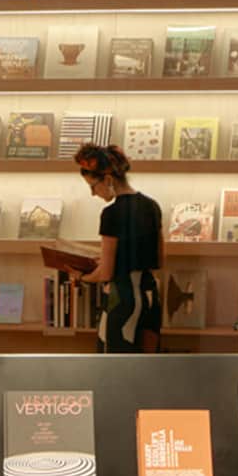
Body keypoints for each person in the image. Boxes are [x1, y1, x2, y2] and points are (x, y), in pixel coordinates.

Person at [71, 142, 162, 353]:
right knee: (146, 367)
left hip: (122, 299)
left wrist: (81, 276)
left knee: (113, 366)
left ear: (108, 180)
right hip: (149, 296)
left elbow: (106, 273)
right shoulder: (152, 206)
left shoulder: (111, 214)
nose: (94, 194)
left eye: (93, 186)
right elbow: (159, 259)